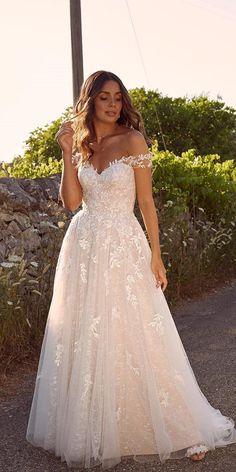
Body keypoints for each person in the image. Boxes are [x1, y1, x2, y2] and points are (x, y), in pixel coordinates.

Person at [26, 70, 236, 470]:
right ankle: (94, 425)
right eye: (104, 97)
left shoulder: (133, 140)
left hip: (123, 244)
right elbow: (71, 202)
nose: (112, 104)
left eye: (118, 98)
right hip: (83, 247)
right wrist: (68, 152)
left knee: (138, 330)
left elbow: (147, 204)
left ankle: (182, 426)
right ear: (89, 101)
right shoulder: (82, 145)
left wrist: (156, 256)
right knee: (87, 330)